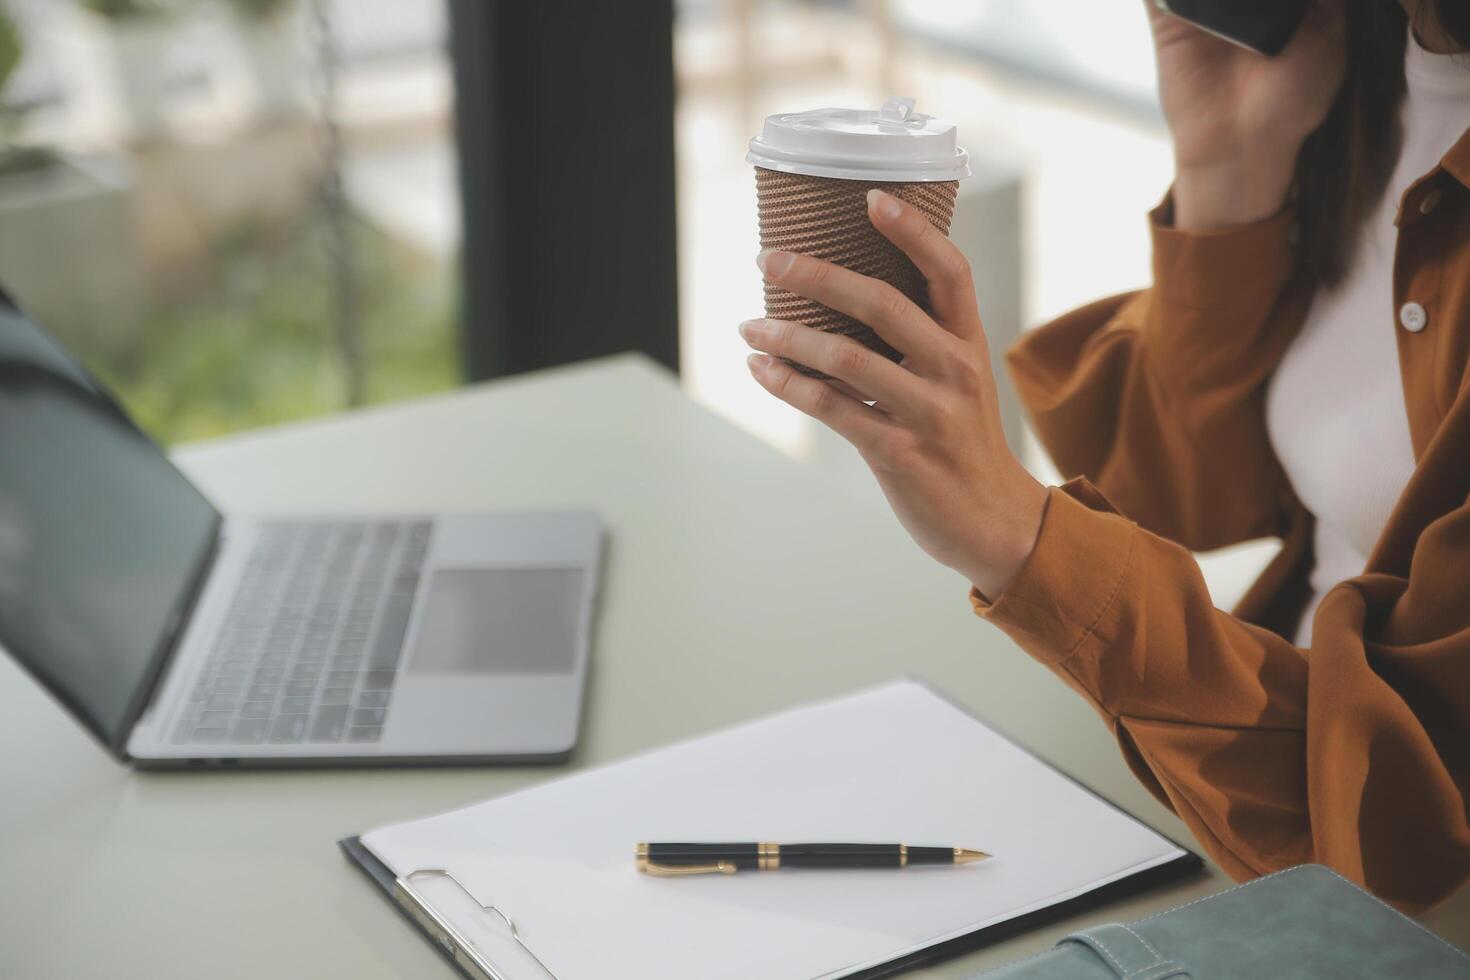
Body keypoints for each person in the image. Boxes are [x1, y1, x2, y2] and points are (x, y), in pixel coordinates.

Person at [738, 0, 1469, 913]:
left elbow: (1408, 808)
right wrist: (1226, 168)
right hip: (1240, 795)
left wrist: (1018, 536)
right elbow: (1170, 497)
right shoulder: (1355, 68)